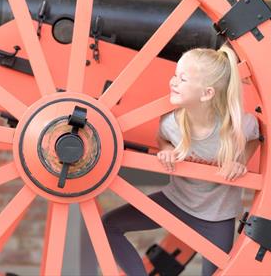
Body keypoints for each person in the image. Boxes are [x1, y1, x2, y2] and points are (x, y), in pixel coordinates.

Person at [103, 46, 260, 276]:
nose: (173, 82)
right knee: (108, 224)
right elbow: (162, 138)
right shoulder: (171, 123)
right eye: (175, 75)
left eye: (182, 78)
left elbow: (256, 138)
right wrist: (165, 149)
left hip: (217, 217)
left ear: (206, 93)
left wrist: (241, 161)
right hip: (176, 203)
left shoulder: (239, 126)